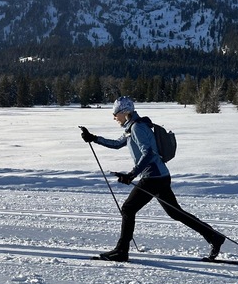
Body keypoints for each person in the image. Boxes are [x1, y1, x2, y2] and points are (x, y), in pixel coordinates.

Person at [80, 96, 225, 262]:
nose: (114, 117)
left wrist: (132, 174)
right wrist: (94, 138)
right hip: (160, 176)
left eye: (115, 114)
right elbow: (117, 143)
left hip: (153, 177)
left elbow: (148, 153)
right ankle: (214, 237)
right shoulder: (132, 127)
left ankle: (121, 251)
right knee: (175, 212)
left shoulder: (137, 128)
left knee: (128, 209)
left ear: (125, 112)